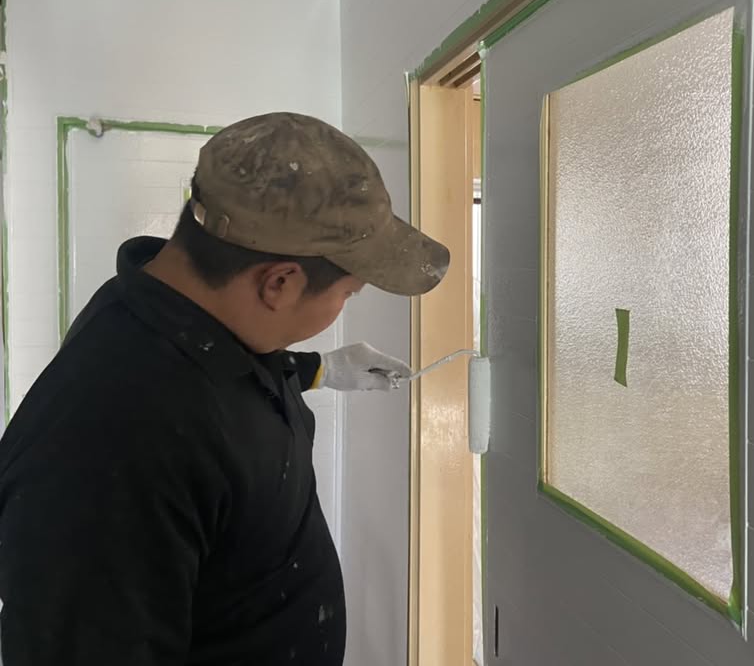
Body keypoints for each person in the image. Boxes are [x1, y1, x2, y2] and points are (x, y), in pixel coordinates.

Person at [0, 112, 449, 665]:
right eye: (349, 294)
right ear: (279, 282)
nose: (344, 305)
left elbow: (233, 382)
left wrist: (319, 370)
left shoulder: (187, 315)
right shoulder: (110, 449)